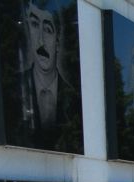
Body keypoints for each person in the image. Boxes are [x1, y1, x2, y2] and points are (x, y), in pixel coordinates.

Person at [14, 0, 82, 151]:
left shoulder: (74, 98)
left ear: (57, 42)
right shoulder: (14, 89)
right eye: (34, 25)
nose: (41, 42)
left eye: (47, 30)